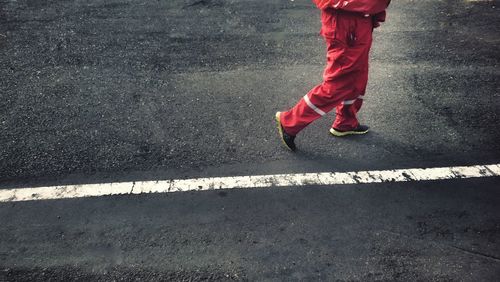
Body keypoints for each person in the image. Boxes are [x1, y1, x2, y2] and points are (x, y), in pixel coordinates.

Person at [275, 0, 391, 151]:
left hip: (358, 14)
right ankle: (290, 121)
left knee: (358, 76)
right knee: (340, 82)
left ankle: (345, 121)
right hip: (347, 17)